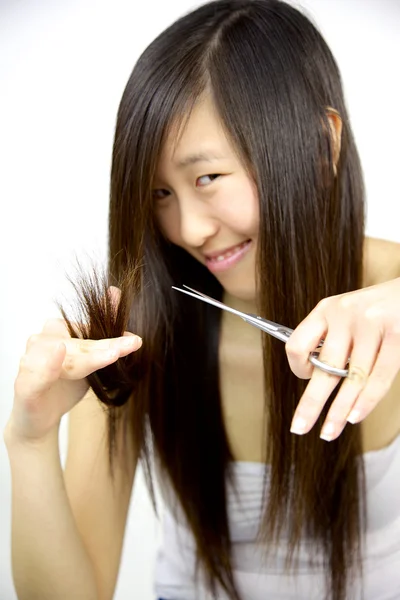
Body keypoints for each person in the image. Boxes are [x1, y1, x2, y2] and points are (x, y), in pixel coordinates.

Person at [4, 1, 400, 599]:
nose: (187, 229)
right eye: (159, 191)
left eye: (207, 178)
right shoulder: (123, 338)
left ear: (321, 148)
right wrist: (28, 441)